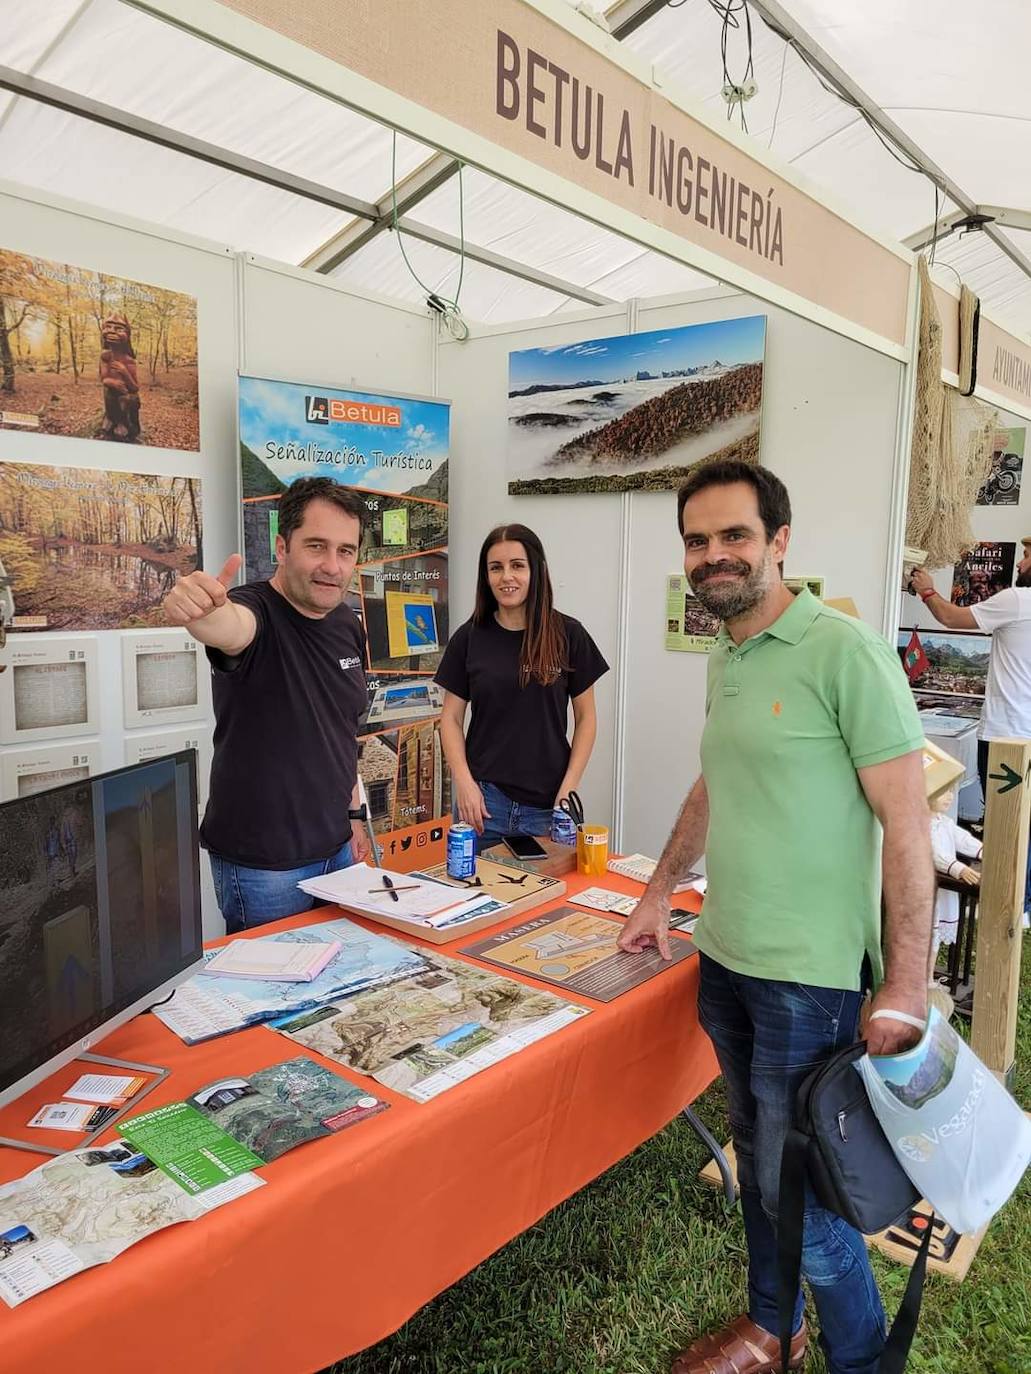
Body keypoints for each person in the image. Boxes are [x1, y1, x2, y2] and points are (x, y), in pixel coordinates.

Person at [617, 460, 934, 1374]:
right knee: (762, 1174)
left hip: (810, 979)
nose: (713, 556)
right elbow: (715, 785)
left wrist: (907, 982)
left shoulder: (844, 651)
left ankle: (861, 1360)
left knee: (807, 1203)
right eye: (697, 541)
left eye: (734, 536)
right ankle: (771, 1327)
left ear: (779, 542)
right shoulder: (728, 653)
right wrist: (657, 890)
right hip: (725, 958)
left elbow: (906, 827)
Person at [162, 476, 370, 933]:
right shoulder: (252, 608)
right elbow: (228, 627)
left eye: (346, 551)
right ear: (282, 547)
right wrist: (200, 610)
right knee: (274, 999)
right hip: (265, 869)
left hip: (337, 848)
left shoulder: (345, 622)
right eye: (316, 546)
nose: (332, 566)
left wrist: (354, 816)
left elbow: (343, 730)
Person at [435, 523, 608, 853]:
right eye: (495, 568)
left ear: (536, 571)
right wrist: (464, 784)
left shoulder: (569, 635)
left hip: (547, 808)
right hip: (483, 806)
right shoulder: (469, 638)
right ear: (486, 576)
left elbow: (586, 719)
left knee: (545, 903)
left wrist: (568, 790)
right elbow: (451, 719)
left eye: (517, 566)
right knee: (473, 899)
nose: (506, 577)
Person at [910, 549, 1031, 914]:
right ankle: (1023, 902)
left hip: (1006, 732)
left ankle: (1007, 901)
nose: (1020, 563)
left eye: (1026, 556)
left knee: (1003, 819)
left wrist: (927, 590)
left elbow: (951, 617)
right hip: (1023, 729)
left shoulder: (1018, 599)